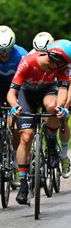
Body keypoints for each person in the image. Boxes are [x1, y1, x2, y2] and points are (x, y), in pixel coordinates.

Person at [7, 39, 71, 205]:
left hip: (47, 92)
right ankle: (23, 183)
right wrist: (14, 106)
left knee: (53, 107)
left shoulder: (62, 67)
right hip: (26, 95)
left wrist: (61, 107)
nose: (66, 66)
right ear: (55, 58)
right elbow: (12, 93)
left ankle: (52, 145)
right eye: (64, 63)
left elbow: (62, 90)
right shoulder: (27, 62)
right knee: (26, 136)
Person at [0, 25, 28, 187]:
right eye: (1, 51)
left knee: (16, 125)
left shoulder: (21, 55)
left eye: (7, 50)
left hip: (16, 89)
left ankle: (17, 163)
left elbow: (25, 82)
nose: (4, 54)